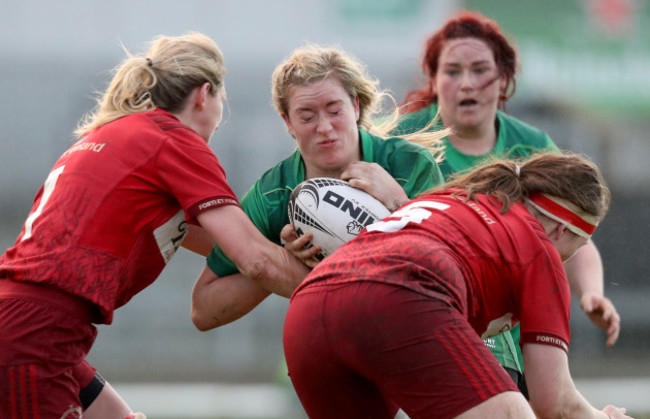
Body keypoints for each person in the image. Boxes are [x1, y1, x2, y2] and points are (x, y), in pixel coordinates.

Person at [0, 32, 309, 419]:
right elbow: (256, 262)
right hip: (36, 335)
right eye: (221, 101)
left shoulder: (113, 135)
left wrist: (282, 247)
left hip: (29, 325)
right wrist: (340, 284)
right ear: (204, 94)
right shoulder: (174, 140)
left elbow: (227, 248)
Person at [283, 151, 630, 419]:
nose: (567, 259)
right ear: (561, 230)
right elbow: (555, 403)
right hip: (399, 295)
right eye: (578, 246)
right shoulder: (539, 246)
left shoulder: (452, 200)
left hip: (307, 312)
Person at [392, 10, 620, 394]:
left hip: (505, 344)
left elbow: (573, 232)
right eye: (452, 71)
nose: (466, 84)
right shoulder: (401, 140)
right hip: (420, 326)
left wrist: (592, 292)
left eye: (480, 69)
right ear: (433, 79)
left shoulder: (532, 148)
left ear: (504, 79)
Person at [191, 43, 446, 331]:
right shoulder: (274, 196)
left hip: (413, 330)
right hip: (336, 339)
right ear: (288, 122)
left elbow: (449, 268)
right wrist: (281, 263)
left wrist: (399, 205)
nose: (324, 127)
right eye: (307, 116)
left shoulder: (408, 164)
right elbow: (204, 309)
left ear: (356, 105)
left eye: (334, 110)